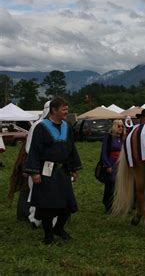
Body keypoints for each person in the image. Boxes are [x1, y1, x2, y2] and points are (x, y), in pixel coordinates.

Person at [24, 97, 82, 244]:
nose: (66, 112)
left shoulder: (67, 126)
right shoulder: (41, 127)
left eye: (67, 109)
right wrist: (34, 172)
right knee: (47, 206)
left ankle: (59, 228)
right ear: (53, 110)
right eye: (63, 109)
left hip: (63, 171)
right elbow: (34, 151)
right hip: (46, 171)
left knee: (67, 204)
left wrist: (74, 168)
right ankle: (48, 234)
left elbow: (71, 148)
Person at [100, 119, 126, 214]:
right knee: (110, 186)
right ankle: (108, 205)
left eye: (122, 126)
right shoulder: (109, 137)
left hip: (121, 165)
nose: (121, 128)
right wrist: (107, 165)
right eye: (119, 126)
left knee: (119, 186)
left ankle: (118, 205)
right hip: (111, 164)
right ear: (114, 127)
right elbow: (104, 153)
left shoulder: (123, 138)